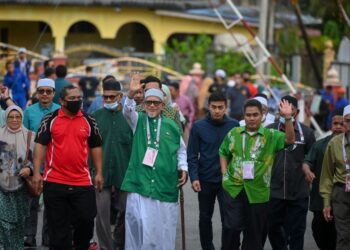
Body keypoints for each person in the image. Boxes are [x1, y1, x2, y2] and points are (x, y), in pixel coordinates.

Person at [32, 85, 103, 249]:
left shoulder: (89, 120)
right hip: (55, 181)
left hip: (82, 181)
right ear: (62, 101)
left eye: (79, 98)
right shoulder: (50, 119)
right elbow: (40, 146)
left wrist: (99, 172)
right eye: (72, 99)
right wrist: (37, 173)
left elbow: (96, 146)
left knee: (86, 221)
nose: (77, 101)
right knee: (58, 231)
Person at [121, 73, 188, 249]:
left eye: (155, 103)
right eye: (148, 102)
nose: (151, 106)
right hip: (140, 183)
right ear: (143, 104)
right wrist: (130, 94)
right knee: (138, 226)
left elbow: (181, 150)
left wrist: (183, 168)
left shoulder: (172, 125)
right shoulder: (138, 119)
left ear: (162, 105)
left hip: (164, 184)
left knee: (163, 228)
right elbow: (127, 111)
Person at [219, 98, 295, 250]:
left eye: (255, 115)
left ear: (262, 115)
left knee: (254, 235)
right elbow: (223, 151)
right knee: (231, 228)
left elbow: (290, 139)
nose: (251, 118)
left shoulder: (271, 136)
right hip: (234, 188)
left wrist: (288, 118)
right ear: (243, 116)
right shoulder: (234, 133)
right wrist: (224, 174)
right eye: (248, 115)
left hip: (258, 191)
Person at [187, 92, 239, 250]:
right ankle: (207, 247)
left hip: (228, 181)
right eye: (214, 107)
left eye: (220, 107)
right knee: (204, 217)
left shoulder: (234, 126)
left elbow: (238, 153)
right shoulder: (198, 126)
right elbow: (192, 155)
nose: (217, 110)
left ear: (226, 108)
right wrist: (194, 177)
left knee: (229, 220)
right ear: (208, 106)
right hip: (205, 179)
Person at [267, 95, 316, 250]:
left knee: (297, 232)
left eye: (290, 110)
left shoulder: (307, 133)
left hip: (299, 192)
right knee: (273, 228)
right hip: (274, 191)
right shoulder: (269, 131)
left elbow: (311, 158)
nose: (286, 113)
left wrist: (308, 171)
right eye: (282, 110)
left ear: (297, 111)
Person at [91, 79, 132, 250]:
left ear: (120, 96)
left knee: (127, 212)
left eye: (112, 97)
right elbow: (90, 146)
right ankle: (106, 247)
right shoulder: (96, 117)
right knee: (102, 214)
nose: (108, 100)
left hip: (125, 172)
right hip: (100, 173)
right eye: (105, 97)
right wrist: (92, 171)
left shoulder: (130, 117)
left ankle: (120, 242)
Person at [22, 78, 60, 247]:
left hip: (55, 163)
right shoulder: (29, 112)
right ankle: (29, 235)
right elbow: (23, 137)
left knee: (51, 203)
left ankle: (47, 235)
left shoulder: (60, 111)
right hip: (32, 163)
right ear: (37, 93)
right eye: (41, 91)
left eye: (48, 91)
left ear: (54, 93)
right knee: (32, 201)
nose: (44, 94)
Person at [302, 108, 344, 250]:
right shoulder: (320, 145)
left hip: (344, 200)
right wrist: (307, 171)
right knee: (319, 231)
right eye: (335, 123)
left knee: (342, 235)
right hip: (321, 200)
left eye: (341, 123)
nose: (338, 127)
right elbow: (307, 162)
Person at [0, 105, 35, 249]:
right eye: (11, 117)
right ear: (6, 118)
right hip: (1, 187)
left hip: (21, 187)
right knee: (4, 223)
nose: (14, 120)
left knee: (19, 223)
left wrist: (29, 169)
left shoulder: (30, 136)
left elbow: (37, 161)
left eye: (18, 117)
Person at [320, 104, 350, 250]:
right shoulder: (334, 143)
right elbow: (327, 174)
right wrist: (326, 202)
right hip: (341, 193)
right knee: (343, 235)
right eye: (348, 121)